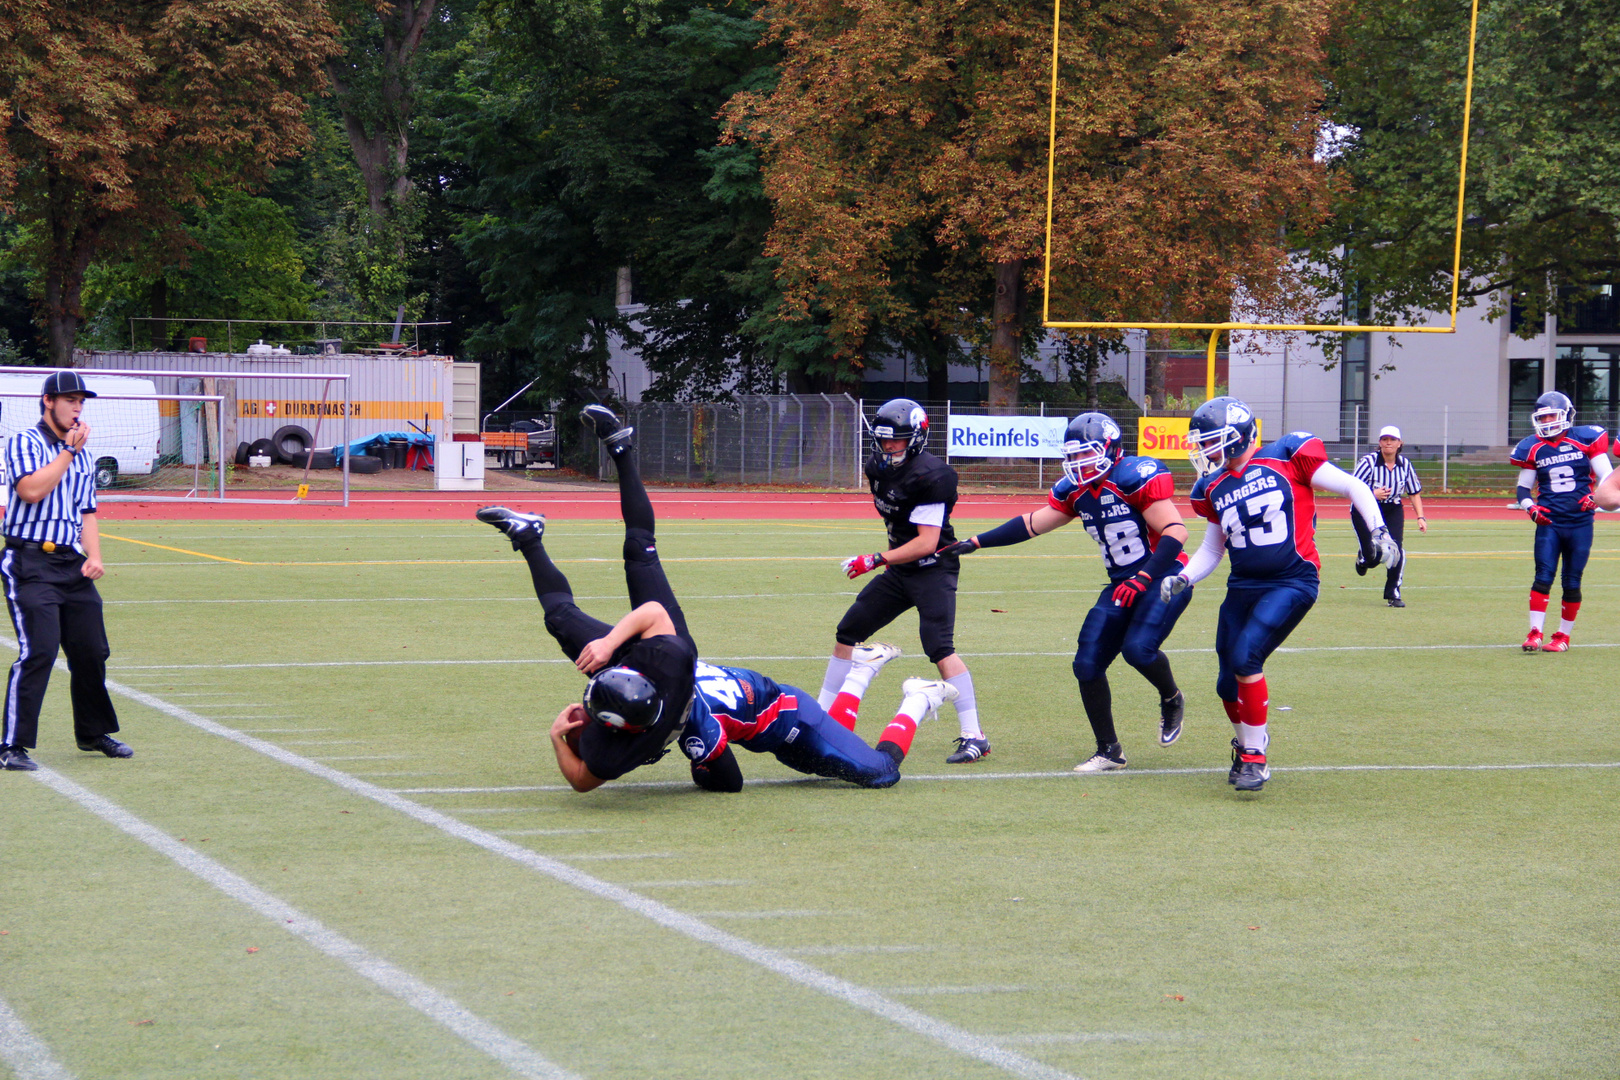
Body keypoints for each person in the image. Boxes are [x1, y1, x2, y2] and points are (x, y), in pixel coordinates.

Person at [478, 404, 951, 793]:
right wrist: (695, 747)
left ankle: (914, 697)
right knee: (637, 556)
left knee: (879, 772)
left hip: (745, 702)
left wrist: (574, 722)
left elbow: (599, 775)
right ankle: (902, 692)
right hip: (721, 689)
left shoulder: (664, 702)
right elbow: (654, 619)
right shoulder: (664, 666)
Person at [1159, 397, 1398, 792]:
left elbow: (1353, 486)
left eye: (1212, 442)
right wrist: (1184, 576)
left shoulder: (1287, 456)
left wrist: (1378, 530)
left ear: (1236, 438)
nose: (1205, 451)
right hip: (1243, 585)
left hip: (1293, 579)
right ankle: (1247, 742)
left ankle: (1256, 757)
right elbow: (1213, 548)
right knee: (1225, 682)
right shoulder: (1212, 486)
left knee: (1245, 656)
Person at [939, 412, 1190, 772]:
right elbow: (1031, 524)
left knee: (1138, 650)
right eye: (1072, 455)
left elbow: (1176, 532)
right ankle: (1109, 751)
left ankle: (1171, 697)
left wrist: (1145, 578)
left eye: (1085, 453)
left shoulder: (1134, 477)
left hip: (1165, 576)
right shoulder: (1076, 491)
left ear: (1110, 449)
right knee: (1086, 664)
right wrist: (976, 542)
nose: (1078, 463)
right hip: (1122, 582)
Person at [822, 398, 988, 763]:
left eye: (896, 439)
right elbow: (896, 524)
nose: (889, 446)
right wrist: (889, 559)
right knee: (847, 630)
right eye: (883, 439)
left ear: (915, 438)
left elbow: (927, 541)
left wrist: (878, 559)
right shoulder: (876, 468)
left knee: (939, 648)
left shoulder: (933, 474)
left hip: (933, 568)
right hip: (900, 568)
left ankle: (974, 735)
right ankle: (823, 714)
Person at [0, 371, 130, 772]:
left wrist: (95, 557)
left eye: (81, 401)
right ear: (48, 402)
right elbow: (31, 490)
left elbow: (87, 513)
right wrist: (68, 452)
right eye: (69, 399)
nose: (77, 407)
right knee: (39, 649)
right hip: (30, 561)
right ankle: (12, 745)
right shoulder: (25, 441)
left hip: (71, 563)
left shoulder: (85, 454)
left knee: (92, 649)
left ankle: (92, 733)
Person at [1510, 391, 1612, 652]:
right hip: (1549, 523)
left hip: (1580, 523)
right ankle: (1535, 633)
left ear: (1566, 415)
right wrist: (1530, 507)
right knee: (1542, 577)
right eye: (1542, 417)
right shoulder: (1532, 446)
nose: (1546, 422)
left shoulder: (1584, 439)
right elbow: (1523, 488)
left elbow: (1608, 479)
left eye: (1552, 416)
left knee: (1572, 581)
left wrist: (1596, 497)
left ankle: (1563, 637)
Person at [1351, 425, 1428, 607]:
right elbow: (1352, 487)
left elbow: (1414, 492)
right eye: (1385, 439)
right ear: (1379, 442)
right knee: (1372, 557)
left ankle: (1393, 593)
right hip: (1366, 508)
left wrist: (1420, 517)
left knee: (1396, 549)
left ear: (1400, 443)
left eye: (1392, 439)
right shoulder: (1368, 462)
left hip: (1392, 508)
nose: (1388, 443)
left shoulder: (1405, 465)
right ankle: (1364, 557)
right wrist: (1372, 493)